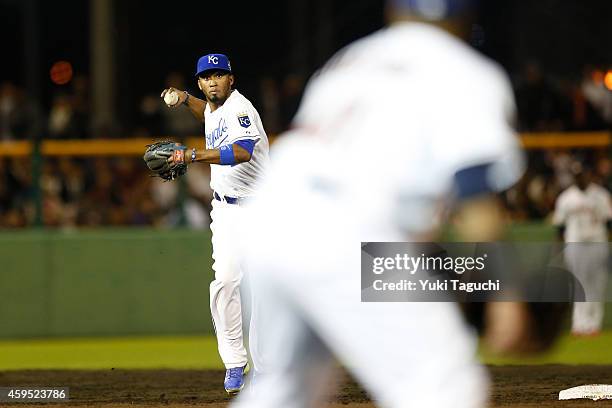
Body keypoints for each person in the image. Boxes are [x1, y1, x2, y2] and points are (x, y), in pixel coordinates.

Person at [232, 0, 543, 407]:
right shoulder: (468, 72)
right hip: (347, 226)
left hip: (270, 214)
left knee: (284, 391)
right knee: (446, 388)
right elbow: (474, 198)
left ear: (396, 12)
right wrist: (506, 297)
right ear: (467, 17)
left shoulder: (351, 60)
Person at [161, 53, 269, 394]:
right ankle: (235, 364)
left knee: (264, 290)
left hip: (261, 211)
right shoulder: (213, 107)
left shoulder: (240, 109)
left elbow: (242, 151)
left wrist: (193, 155)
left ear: (231, 80)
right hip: (225, 210)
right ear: (200, 82)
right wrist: (184, 100)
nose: (213, 81)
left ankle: (266, 369)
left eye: (219, 75)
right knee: (225, 280)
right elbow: (206, 112)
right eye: (207, 77)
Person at [553, 162, 612, 336]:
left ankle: (594, 324)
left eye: (582, 175)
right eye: (576, 175)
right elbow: (559, 227)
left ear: (589, 175)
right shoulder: (566, 198)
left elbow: (609, 223)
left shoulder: (601, 195)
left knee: (597, 284)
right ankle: (579, 325)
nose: (580, 178)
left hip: (597, 243)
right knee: (579, 284)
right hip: (575, 244)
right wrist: (559, 249)